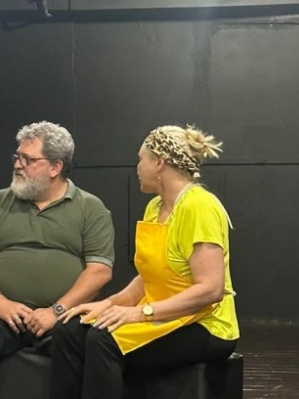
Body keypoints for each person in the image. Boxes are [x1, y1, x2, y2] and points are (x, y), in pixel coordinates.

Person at [49, 124, 239, 399]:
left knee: (103, 340)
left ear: (159, 163)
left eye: (140, 159)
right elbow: (148, 277)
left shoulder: (199, 206)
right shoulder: (154, 206)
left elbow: (210, 290)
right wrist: (107, 304)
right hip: (162, 313)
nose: (137, 167)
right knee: (68, 330)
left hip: (205, 325)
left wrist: (140, 313)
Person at [0, 121, 116, 399]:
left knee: (93, 340)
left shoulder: (91, 208)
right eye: (17, 157)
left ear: (55, 167)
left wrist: (56, 311)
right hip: (2, 313)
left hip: (62, 317)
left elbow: (100, 271)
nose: (18, 165)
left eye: (28, 159)